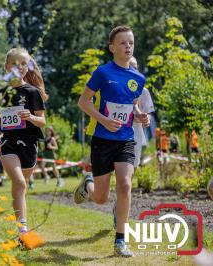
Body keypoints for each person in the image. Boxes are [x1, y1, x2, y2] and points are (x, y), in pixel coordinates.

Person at [75, 25, 149, 257]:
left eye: (131, 43)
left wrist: (139, 116)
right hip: (102, 139)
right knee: (101, 198)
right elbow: (83, 102)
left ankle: (120, 241)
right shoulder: (102, 72)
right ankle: (88, 183)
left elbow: (132, 106)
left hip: (125, 138)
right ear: (112, 47)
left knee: (126, 184)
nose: (128, 46)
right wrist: (103, 120)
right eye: (123, 43)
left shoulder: (138, 78)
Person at [0, 47, 47, 237]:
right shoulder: (2, 93)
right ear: (6, 67)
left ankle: (19, 221)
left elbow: (42, 121)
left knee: (20, 187)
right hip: (9, 142)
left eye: (23, 64)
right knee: (19, 182)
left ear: (28, 67)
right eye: (14, 63)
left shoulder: (33, 92)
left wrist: (29, 116)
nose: (19, 67)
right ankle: (23, 230)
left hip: (29, 144)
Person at [129, 57, 154, 167]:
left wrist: (146, 119)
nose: (134, 69)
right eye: (131, 67)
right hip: (118, 131)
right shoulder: (116, 87)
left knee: (134, 165)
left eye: (135, 66)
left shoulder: (143, 91)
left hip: (136, 132)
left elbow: (148, 113)